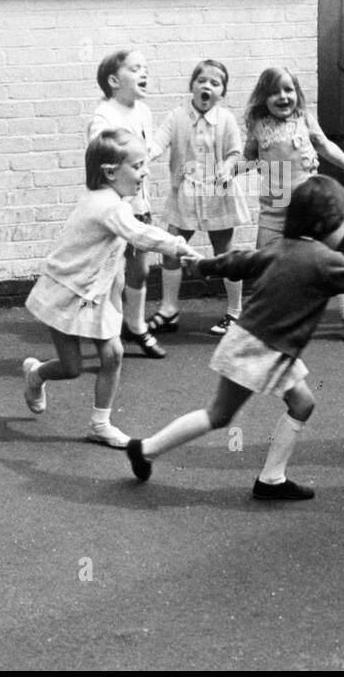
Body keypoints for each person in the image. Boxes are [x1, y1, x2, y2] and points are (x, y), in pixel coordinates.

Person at [125, 175, 344, 499]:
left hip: (263, 343)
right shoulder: (326, 260)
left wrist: (203, 267)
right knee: (219, 415)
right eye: (343, 223)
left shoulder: (281, 247)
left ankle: (271, 480)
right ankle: (146, 449)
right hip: (261, 347)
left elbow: (238, 262)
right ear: (327, 224)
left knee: (303, 403)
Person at [22, 129, 202, 449]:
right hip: (67, 290)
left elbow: (123, 245)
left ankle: (99, 424)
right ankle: (36, 374)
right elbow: (140, 234)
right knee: (71, 367)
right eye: (137, 166)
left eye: (144, 163)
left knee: (113, 354)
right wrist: (178, 246)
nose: (145, 171)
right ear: (110, 172)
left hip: (96, 294)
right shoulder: (107, 205)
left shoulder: (114, 201)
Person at [242, 66, 344, 341]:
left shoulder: (303, 119)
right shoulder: (257, 126)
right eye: (274, 92)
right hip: (274, 206)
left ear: (297, 94)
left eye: (288, 90)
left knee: (327, 259)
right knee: (264, 259)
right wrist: (226, 172)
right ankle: (266, 316)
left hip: (309, 206)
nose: (283, 96)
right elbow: (248, 158)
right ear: (263, 98)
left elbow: (325, 146)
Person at [145, 59, 247, 337]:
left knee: (225, 252)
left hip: (218, 193)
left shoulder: (225, 119)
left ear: (222, 92)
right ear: (192, 86)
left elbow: (236, 153)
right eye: (202, 80)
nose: (207, 86)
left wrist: (228, 166)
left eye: (215, 83)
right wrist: (144, 157)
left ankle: (235, 313)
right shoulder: (177, 116)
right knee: (170, 246)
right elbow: (158, 142)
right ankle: (169, 309)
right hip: (186, 192)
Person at [89, 49, 165, 359]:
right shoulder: (104, 116)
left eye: (145, 67)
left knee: (140, 271)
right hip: (113, 209)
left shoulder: (143, 111)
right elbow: (100, 153)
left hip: (139, 206)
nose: (144, 73)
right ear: (113, 80)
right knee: (112, 274)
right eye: (135, 69)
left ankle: (136, 325)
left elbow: (147, 150)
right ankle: (109, 329)